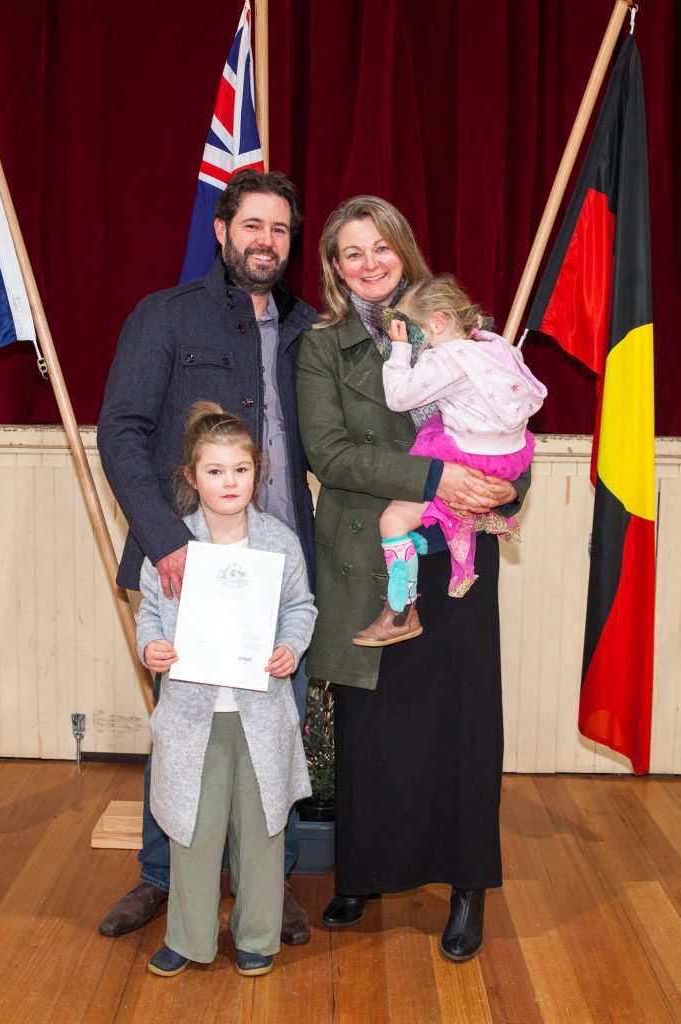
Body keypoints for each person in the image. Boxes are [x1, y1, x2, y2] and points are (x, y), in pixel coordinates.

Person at [296, 196, 531, 962]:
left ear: (403, 248)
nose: (368, 264)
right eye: (350, 253)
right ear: (334, 268)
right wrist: (436, 478)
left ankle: (467, 886)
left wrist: (505, 488)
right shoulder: (322, 345)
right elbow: (330, 455)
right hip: (373, 549)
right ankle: (365, 872)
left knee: (461, 720)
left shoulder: (459, 325)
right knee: (374, 721)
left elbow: (508, 422)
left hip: (457, 553)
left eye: (379, 247)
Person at [97, 169, 316, 946]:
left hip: (274, 567)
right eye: (252, 225)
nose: (266, 241)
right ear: (223, 231)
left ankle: (269, 886)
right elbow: (119, 430)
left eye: (280, 229)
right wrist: (164, 541)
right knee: (184, 736)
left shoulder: (304, 329)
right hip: (183, 565)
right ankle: (162, 879)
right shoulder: (164, 317)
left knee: (271, 735)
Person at [139, 402, 316, 978]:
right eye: (215, 471)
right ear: (192, 477)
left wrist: (290, 645)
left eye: (240, 469)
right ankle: (189, 937)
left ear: (257, 472)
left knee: (263, 827)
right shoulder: (170, 544)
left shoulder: (280, 542)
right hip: (194, 715)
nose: (229, 481)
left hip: (261, 712)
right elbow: (149, 612)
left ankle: (258, 934)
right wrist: (152, 649)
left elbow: (300, 606)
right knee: (193, 827)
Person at [353, 274, 546, 647]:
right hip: (503, 460)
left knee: (393, 520)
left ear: (439, 323)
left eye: (416, 333)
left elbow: (399, 396)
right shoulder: (495, 346)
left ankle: (401, 611)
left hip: (462, 456)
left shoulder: (449, 357)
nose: (416, 343)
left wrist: (399, 351)